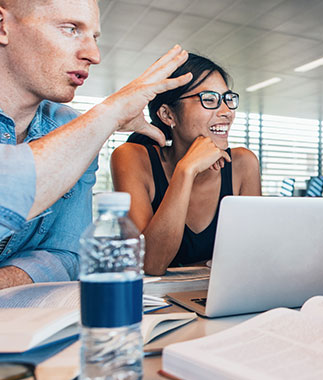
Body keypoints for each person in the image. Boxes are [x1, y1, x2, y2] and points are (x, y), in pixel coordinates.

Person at [0, 0, 191, 307]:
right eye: (71, 29)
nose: (93, 54)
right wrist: (108, 114)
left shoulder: (68, 126)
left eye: (94, 35)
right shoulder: (84, 130)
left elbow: (67, 254)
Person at [111, 54, 261, 275]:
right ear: (168, 114)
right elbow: (151, 264)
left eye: (228, 99)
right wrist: (186, 170)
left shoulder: (243, 163)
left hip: (219, 298)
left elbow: (253, 257)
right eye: (209, 99)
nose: (227, 112)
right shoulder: (132, 158)